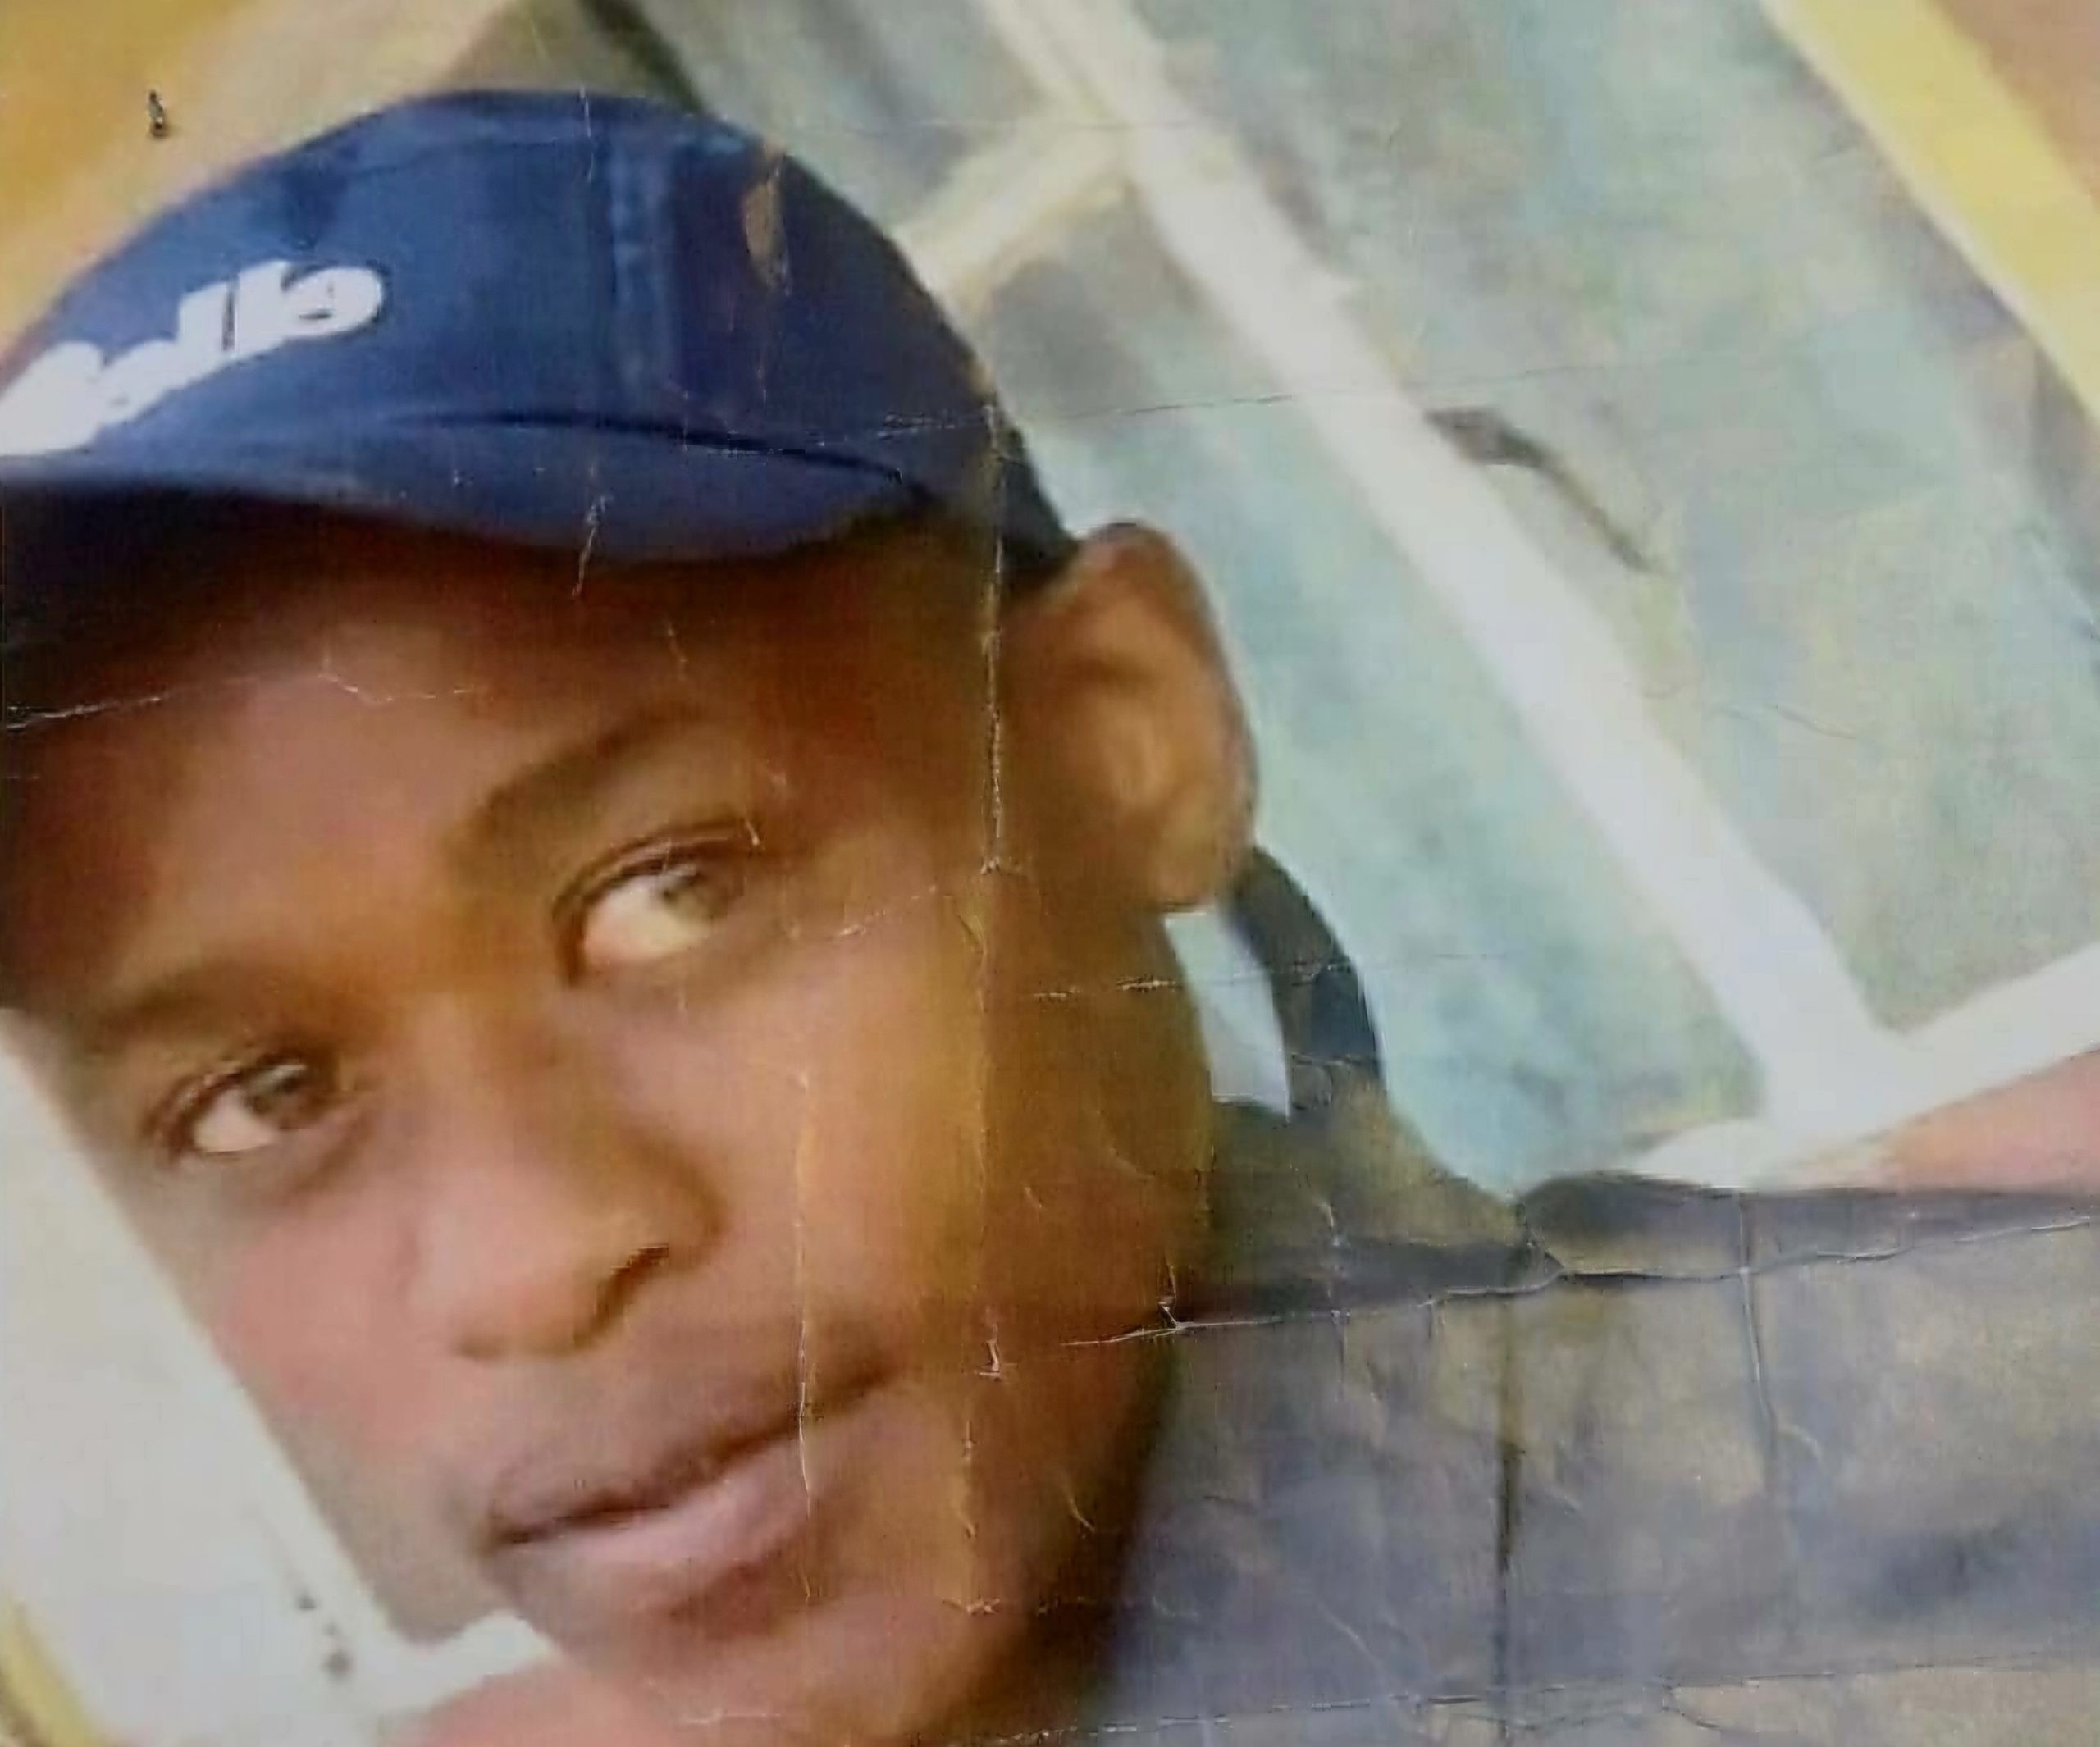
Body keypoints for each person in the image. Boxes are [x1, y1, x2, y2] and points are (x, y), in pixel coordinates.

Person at [4, 91, 2100, 1747]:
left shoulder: (1974, 1580)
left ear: (1127, 739)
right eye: (257, 1099)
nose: (523, 1265)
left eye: (669, 892)